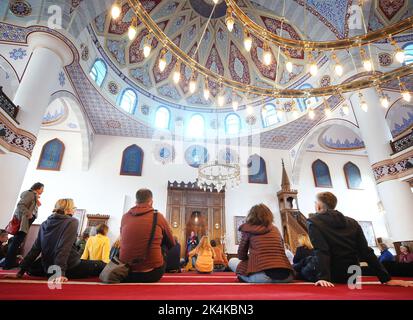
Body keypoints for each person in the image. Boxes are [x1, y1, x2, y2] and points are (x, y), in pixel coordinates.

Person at [308, 192, 412, 287]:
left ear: (318, 206)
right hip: (352, 274)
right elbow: (366, 251)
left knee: (303, 266)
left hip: (330, 274)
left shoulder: (314, 221)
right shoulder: (352, 222)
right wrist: (386, 278)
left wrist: (323, 278)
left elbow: (322, 251)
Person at [14, 199, 105, 283]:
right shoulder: (72, 221)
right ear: (68, 209)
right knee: (102, 265)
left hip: (48, 268)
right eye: (74, 208)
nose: (74, 210)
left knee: (34, 267)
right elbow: (63, 248)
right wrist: (60, 273)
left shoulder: (45, 223)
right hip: (69, 266)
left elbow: (35, 249)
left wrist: (21, 271)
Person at [120, 188, 175, 283]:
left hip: (125, 272)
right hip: (152, 274)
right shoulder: (158, 216)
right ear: (151, 202)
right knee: (164, 245)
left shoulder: (125, 217)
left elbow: (122, 239)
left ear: (136, 201)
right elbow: (171, 243)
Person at [229, 204, 293, 283]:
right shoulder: (275, 229)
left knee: (232, 261)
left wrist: (252, 258)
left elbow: (241, 256)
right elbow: (282, 250)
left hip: (262, 277)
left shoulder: (247, 229)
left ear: (251, 215)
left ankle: (246, 278)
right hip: (286, 277)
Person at [4, 183, 44, 269]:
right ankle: (8, 264)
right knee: (16, 242)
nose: (43, 191)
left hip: (26, 221)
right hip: (24, 221)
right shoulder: (29, 194)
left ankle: (9, 263)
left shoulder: (34, 195)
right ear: (37, 188)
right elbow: (20, 205)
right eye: (42, 189)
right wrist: (29, 214)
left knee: (16, 242)